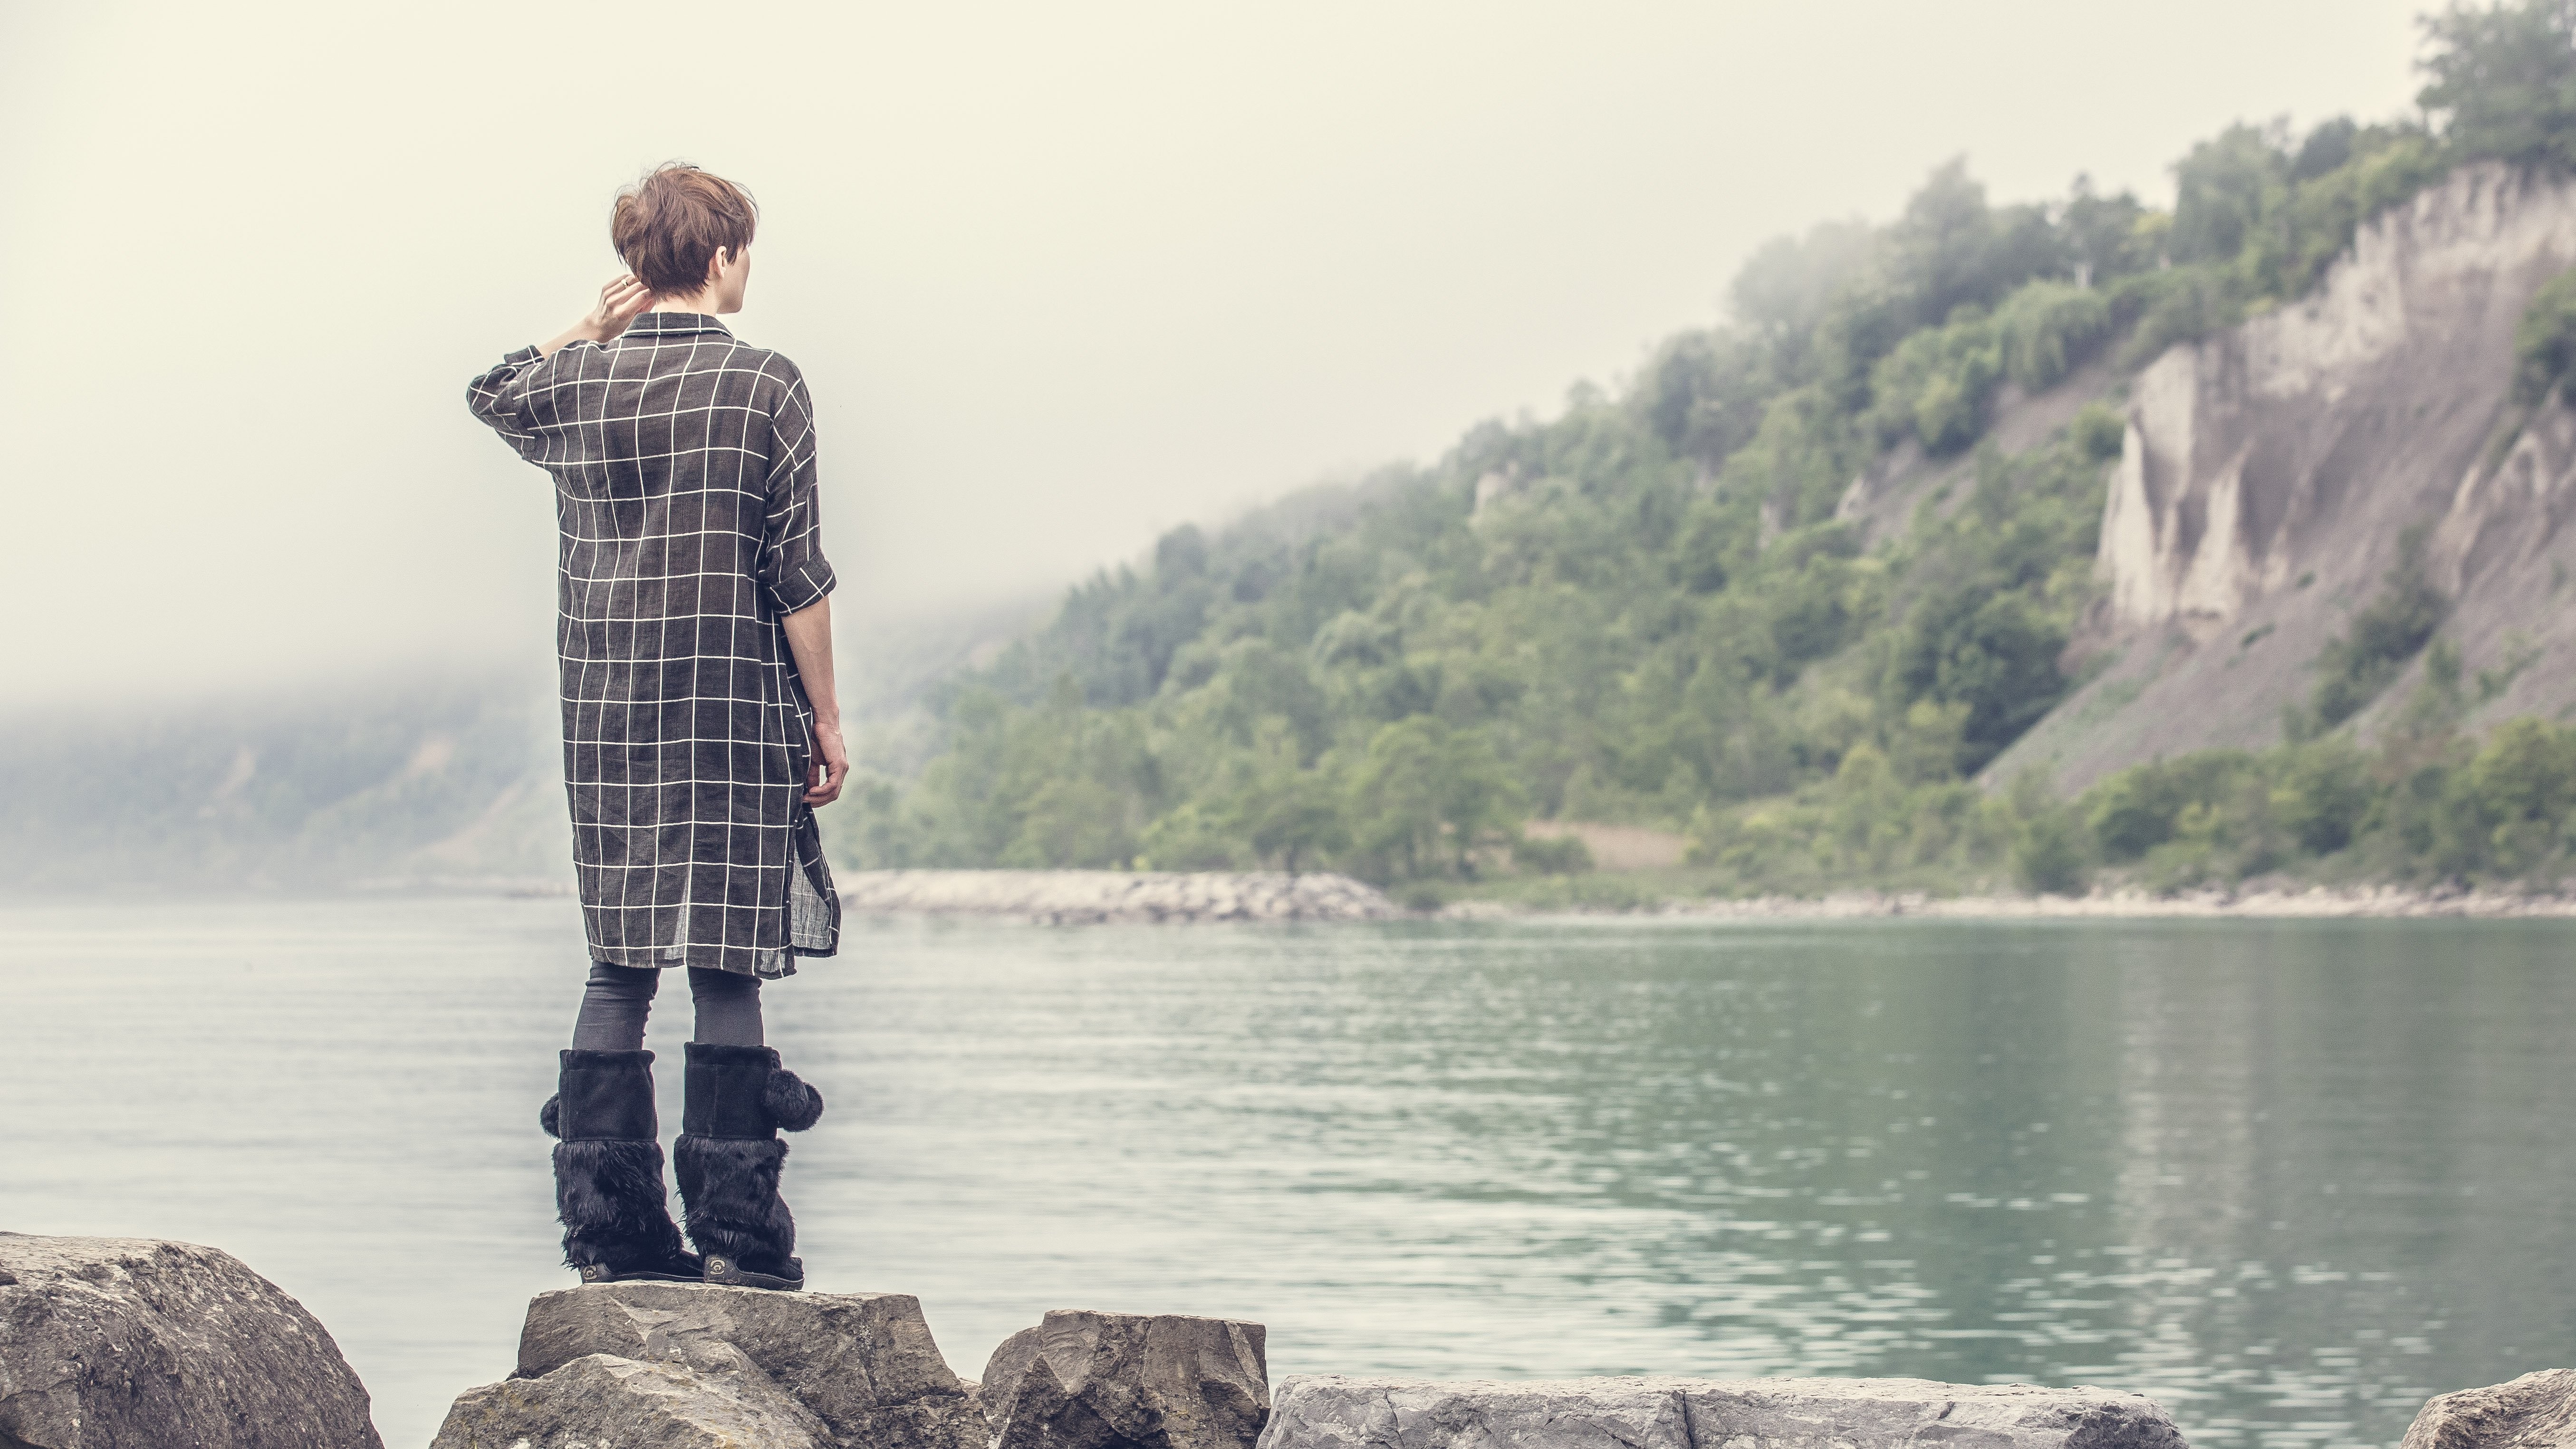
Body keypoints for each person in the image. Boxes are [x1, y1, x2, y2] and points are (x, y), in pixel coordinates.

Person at [465, 162, 847, 1292]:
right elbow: (799, 575)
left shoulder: (576, 385)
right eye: (745, 250)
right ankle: (738, 1242)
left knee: (620, 958)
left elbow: (490, 391)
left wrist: (583, 325)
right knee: (727, 961)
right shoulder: (767, 385)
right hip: (730, 707)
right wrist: (825, 716)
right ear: (723, 256)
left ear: (639, 263)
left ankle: (615, 1242)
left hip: (609, 713)